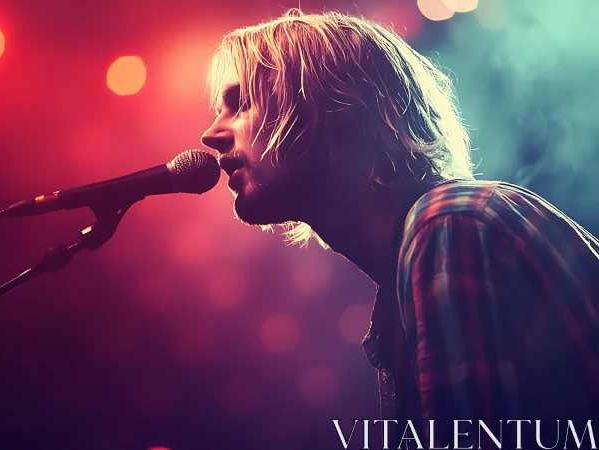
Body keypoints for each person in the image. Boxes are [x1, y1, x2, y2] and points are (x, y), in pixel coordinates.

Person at [200, 8, 599, 448]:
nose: (210, 134)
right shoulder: (423, 255)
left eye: (241, 104)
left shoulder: (448, 224)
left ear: (336, 109)